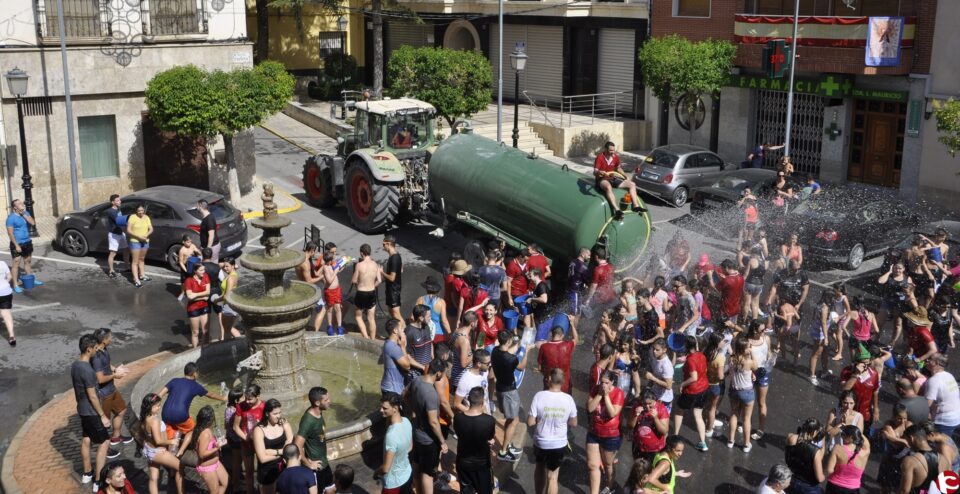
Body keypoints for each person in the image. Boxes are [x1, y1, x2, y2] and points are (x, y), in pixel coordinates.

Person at [158, 362, 226, 456]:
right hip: (180, 415)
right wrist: (223, 398)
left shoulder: (174, 380)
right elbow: (211, 395)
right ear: (194, 374)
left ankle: (170, 450)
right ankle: (181, 451)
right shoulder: (195, 386)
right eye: (197, 373)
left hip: (165, 414)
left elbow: (160, 394)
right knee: (194, 430)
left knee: (172, 429)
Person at [73, 334, 113, 490]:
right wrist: (102, 415)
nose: (97, 350)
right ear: (89, 349)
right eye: (95, 348)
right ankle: (98, 480)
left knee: (86, 438)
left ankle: (87, 473)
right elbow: (92, 395)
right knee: (104, 442)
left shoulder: (75, 365)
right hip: (92, 412)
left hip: (82, 410)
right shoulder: (88, 371)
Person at [528, 368, 577, 494]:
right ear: (563, 381)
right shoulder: (568, 399)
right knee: (553, 476)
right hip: (558, 443)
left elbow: (530, 422)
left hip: (541, 441)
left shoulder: (539, 396)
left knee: (539, 467)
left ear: (549, 379)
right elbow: (574, 422)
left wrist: (541, 419)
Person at [408, 359, 449, 494]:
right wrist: (442, 441)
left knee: (416, 466)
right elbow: (433, 422)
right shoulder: (431, 393)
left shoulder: (416, 380)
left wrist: (414, 411)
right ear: (438, 374)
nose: (444, 375)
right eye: (443, 373)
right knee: (427, 473)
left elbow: (404, 395)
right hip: (428, 439)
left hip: (416, 433)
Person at [134, 393, 183, 494]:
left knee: (153, 477)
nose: (159, 407)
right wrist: (171, 441)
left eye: (159, 405)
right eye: (157, 406)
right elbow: (158, 441)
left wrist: (147, 442)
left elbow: (140, 434)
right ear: (149, 406)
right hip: (158, 452)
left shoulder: (143, 418)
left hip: (149, 450)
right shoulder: (154, 421)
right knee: (180, 467)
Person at [491, 329, 528, 462]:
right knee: (513, 420)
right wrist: (527, 351)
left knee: (510, 418)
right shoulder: (510, 359)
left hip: (500, 388)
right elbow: (522, 367)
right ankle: (503, 451)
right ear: (508, 341)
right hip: (509, 393)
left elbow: (507, 352)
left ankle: (507, 443)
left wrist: (517, 345)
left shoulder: (495, 351)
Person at [91, 328, 131, 449]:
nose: (111, 339)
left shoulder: (104, 350)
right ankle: (104, 448)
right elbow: (100, 379)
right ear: (103, 340)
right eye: (109, 338)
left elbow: (107, 364)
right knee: (104, 422)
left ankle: (116, 436)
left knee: (122, 410)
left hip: (111, 389)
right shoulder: (96, 357)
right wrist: (115, 375)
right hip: (103, 394)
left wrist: (115, 369)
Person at [587, 370, 624, 494]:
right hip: (594, 432)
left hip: (610, 435)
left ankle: (609, 486)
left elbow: (613, 413)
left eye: (606, 382)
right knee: (592, 465)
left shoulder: (618, 393)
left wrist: (606, 395)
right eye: (601, 382)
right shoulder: (595, 389)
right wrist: (599, 394)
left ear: (612, 382)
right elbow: (590, 408)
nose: (603, 385)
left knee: (608, 464)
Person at [453, 386, 496, 494]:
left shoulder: (458, 418)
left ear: (468, 400)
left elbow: (459, 433)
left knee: (466, 491)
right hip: (481, 465)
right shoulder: (489, 420)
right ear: (482, 402)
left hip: (463, 462)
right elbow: (490, 438)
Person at [252, 399, 294, 494]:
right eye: (275, 414)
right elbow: (262, 458)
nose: (278, 416)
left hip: (285, 466)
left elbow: (290, 443)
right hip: (267, 470)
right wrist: (281, 452)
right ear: (267, 414)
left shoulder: (284, 423)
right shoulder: (259, 430)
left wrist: (269, 451)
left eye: (280, 412)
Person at [295, 387, 333, 489]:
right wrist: (308, 464)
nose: (329, 401)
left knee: (331, 489)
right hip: (316, 468)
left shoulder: (319, 411)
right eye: (326, 400)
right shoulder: (308, 421)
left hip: (324, 463)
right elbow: (297, 446)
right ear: (317, 403)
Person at [375, 393, 414, 493]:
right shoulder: (406, 421)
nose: (381, 410)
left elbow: (386, 469)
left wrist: (376, 472)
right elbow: (410, 447)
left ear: (395, 408)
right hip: (407, 474)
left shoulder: (391, 435)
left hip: (393, 483)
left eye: (384, 408)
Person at [594, 141, 643, 218]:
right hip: (602, 179)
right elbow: (595, 172)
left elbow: (618, 168)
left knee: (632, 184)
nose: (612, 152)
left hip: (612, 178)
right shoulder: (599, 157)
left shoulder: (615, 157)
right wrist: (601, 172)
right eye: (610, 150)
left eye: (613, 150)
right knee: (608, 187)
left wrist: (625, 175)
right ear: (605, 149)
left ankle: (636, 206)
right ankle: (617, 210)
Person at [899, 424, 950, 494]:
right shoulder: (944, 459)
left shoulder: (910, 461)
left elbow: (904, 490)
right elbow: (949, 486)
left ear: (911, 438)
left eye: (907, 441)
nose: (908, 445)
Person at [728, 336, 758, 452]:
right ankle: (746, 444)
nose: (750, 348)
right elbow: (756, 366)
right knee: (746, 419)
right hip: (747, 392)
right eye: (748, 347)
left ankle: (731, 440)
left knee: (734, 414)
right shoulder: (748, 362)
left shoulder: (731, 359)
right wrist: (752, 352)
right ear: (744, 349)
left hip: (734, 390)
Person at [234, 385, 266, 494]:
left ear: (258, 396)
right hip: (246, 443)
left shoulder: (264, 406)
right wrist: (246, 438)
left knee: (264, 471)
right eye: (246, 398)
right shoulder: (241, 406)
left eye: (250, 399)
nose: (247, 401)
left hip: (261, 443)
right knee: (249, 472)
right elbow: (235, 427)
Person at [839, 347, 880, 433]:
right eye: (863, 363)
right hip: (848, 410)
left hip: (866, 413)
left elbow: (875, 391)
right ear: (856, 362)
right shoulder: (847, 372)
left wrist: (876, 408)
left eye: (868, 363)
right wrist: (856, 374)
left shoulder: (874, 374)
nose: (866, 366)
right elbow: (845, 389)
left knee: (862, 434)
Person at [191, 405, 229, 494]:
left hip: (215, 462)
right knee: (214, 491)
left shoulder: (206, 429)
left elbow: (208, 445)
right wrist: (217, 447)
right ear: (209, 420)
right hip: (207, 467)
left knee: (225, 481)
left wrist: (217, 442)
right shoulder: (205, 434)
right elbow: (201, 454)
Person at [381, 318, 423, 398]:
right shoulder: (393, 347)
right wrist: (403, 347)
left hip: (393, 387)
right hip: (392, 389)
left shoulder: (391, 344)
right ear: (395, 331)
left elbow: (406, 358)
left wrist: (423, 367)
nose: (404, 330)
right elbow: (407, 366)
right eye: (401, 328)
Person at [6, 198, 40, 293]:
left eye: (21, 203)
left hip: (27, 242)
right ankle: (15, 284)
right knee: (16, 263)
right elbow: (10, 234)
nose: (21, 204)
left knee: (27, 261)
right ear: (15, 207)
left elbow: (32, 223)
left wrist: (24, 214)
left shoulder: (26, 213)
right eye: (19, 203)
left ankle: (31, 279)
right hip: (17, 244)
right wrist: (16, 245)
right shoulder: (11, 218)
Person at [784, 418, 826, 494]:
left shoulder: (791, 438)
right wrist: (824, 476)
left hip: (792, 480)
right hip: (809, 487)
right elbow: (819, 478)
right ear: (814, 432)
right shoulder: (815, 451)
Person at [878, 404, 912, 494]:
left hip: (904, 461)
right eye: (899, 418)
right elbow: (896, 445)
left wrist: (890, 437)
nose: (902, 421)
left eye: (905, 418)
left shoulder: (908, 424)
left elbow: (910, 442)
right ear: (893, 417)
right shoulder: (888, 425)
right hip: (890, 459)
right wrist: (904, 441)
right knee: (886, 487)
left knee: (900, 487)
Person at [923, 353, 960, 437]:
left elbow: (926, 405)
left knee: (938, 444)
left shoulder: (934, 380)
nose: (927, 360)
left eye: (930, 359)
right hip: (957, 416)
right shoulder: (949, 375)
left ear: (937, 363)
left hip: (944, 421)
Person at [629, 389, 670, 464]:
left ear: (654, 400)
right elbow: (630, 426)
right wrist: (635, 415)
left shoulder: (661, 409)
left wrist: (655, 418)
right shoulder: (637, 407)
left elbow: (664, 431)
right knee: (639, 469)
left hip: (654, 450)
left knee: (651, 471)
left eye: (650, 404)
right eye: (644, 404)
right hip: (638, 446)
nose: (647, 407)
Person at [825, 425, 869, 494]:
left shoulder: (837, 448)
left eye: (843, 435)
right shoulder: (866, 452)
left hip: (834, 487)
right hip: (853, 489)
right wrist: (857, 431)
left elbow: (829, 470)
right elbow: (867, 444)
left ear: (850, 437)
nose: (841, 437)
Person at [538, 321, 579, 393]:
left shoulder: (544, 347)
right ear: (562, 335)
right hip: (564, 385)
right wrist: (572, 323)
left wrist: (547, 374)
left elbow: (539, 367)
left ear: (551, 334)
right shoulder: (567, 345)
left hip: (549, 385)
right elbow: (576, 338)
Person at [350, 244, 381, 339]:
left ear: (361, 253)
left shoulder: (359, 265)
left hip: (361, 293)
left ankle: (366, 337)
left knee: (358, 316)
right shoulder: (375, 264)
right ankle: (372, 339)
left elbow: (354, 280)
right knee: (371, 318)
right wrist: (372, 285)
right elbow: (379, 280)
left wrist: (357, 282)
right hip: (371, 292)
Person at [297, 243, 327, 332]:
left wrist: (323, 266)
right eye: (316, 251)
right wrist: (322, 277)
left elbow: (316, 273)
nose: (316, 253)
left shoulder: (301, 256)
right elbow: (309, 281)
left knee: (307, 311)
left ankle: (303, 328)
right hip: (308, 289)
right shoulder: (306, 263)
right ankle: (316, 331)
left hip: (301, 287)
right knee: (322, 309)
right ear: (312, 250)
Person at [454, 349, 493, 414]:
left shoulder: (485, 372)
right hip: (474, 419)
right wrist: (473, 413)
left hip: (486, 414)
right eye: (488, 363)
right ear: (479, 364)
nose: (490, 365)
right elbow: (456, 404)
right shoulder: (465, 380)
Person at [415, 276, 451, 343]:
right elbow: (444, 321)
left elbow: (412, 317)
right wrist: (449, 334)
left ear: (426, 288)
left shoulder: (420, 300)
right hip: (438, 334)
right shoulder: (441, 302)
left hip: (424, 332)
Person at [405, 305, 435, 382]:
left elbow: (429, 343)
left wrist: (432, 358)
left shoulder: (427, 327)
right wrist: (422, 367)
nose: (430, 318)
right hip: (415, 373)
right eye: (428, 316)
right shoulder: (409, 332)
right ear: (421, 318)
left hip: (428, 370)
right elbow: (406, 355)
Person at [126, 203, 153, 288]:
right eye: (139, 211)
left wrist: (146, 235)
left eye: (142, 210)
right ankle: (136, 279)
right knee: (135, 261)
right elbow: (128, 230)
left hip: (145, 241)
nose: (141, 212)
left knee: (142, 259)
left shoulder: (146, 217)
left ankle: (142, 275)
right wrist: (138, 236)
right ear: (136, 211)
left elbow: (151, 228)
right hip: (135, 241)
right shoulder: (132, 217)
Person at [185, 263, 212, 347]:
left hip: (204, 307)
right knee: (195, 332)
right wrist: (203, 297)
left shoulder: (206, 276)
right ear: (195, 271)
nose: (203, 272)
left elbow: (208, 292)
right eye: (201, 270)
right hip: (193, 308)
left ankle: (205, 349)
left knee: (205, 331)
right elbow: (189, 297)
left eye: (204, 270)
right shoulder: (188, 281)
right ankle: (195, 350)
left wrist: (195, 295)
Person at [320, 251, 346, 336]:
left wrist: (340, 268)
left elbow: (335, 272)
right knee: (330, 309)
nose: (334, 260)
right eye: (333, 259)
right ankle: (330, 327)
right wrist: (335, 271)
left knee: (338, 308)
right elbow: (329, 280)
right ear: (330, 260)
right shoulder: (325, 268)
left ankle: (339, 327)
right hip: (330, 291)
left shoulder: (331, 265)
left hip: (337, 290)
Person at [104, 194, 130, 279]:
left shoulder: (118, 209)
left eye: (120, 200)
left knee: (126, 250)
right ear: (113, 202)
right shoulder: (111, 211)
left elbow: (121, 219)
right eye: (118, 200)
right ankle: (111, 271)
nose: (120, 201)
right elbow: (119, 221)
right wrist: (130, 222)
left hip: (120, 233)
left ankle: (127, 268)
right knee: (113, 253)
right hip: (114, 235)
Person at [381, 235, 404, 326]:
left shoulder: (394, 258)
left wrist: (382, 272)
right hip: (391, 289)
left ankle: (405, 333)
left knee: (396, 314)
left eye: (383, 244)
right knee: (391, 311)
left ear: (388, 244)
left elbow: (392, 278)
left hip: (394, 290)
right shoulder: (395, 256)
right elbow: (401, 270)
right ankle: (398, 331)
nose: (383, 246)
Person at [646, 338, 675, 412]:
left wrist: (653, 378)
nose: (654, 351)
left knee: (662, 422)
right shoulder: (655, 357)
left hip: (664, 399)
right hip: (655, 394)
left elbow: (669, 386)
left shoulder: (666, 365)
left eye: (657, 350)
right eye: (654, 349)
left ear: (664, 350)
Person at [219, 258, 242, 340]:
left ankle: (236, 345)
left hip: (228, 307)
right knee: (229, 328)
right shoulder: (234, 274)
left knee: (227, 330)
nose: (225, 268)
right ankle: (238, 344)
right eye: (224, 266)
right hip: (232, 305)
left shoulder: (231, 278)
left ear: (232, 266)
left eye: (227, 266)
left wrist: (216, 300)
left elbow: (227, 295)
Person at [177, 235, 202, 299]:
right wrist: (185, 270)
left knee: (193, 279)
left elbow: (198, 252)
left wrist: (198, 252)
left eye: (190, 242)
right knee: (183, 281)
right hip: (185, 266)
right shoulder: (182, 250)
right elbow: (180, 262)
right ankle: (182, 293)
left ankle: (193, 291)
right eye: (188, 242)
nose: (190, 243)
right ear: (183, 242)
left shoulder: (192, 246)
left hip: (192, 265)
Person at [0, 259, 12, 346]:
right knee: (6, 314)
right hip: (6, 292)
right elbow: (9, 277)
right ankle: (12, 336)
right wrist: (4, 284)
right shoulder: (3, 263)